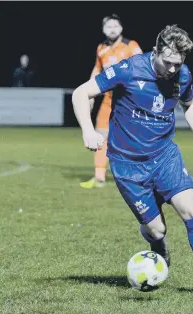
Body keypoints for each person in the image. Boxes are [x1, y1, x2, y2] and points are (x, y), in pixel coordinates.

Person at [71, 24, 193, 299]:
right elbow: (81, 93)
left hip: (164, 156)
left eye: (178, 64)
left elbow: (190, 103)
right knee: (156, 229)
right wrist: (88, 131)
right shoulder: (128, 69)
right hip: (127, 165)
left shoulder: (182, 74)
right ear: (156, 52)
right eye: (168, 62)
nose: (173, 70)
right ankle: (157, 244)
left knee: (192, 211)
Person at [80, 13, 143, 189]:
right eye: (109, 26)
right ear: (103, 30)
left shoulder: (131, 46)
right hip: (109, 99)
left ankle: (137, 177)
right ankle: (99, 177)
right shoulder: (101, 48)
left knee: (133, 139)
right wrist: (89, 93)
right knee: (100, 135)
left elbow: (142, 69)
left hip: (130, 100)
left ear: (121, 28)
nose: (112, 29)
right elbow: (97, 70)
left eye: (115, 26)